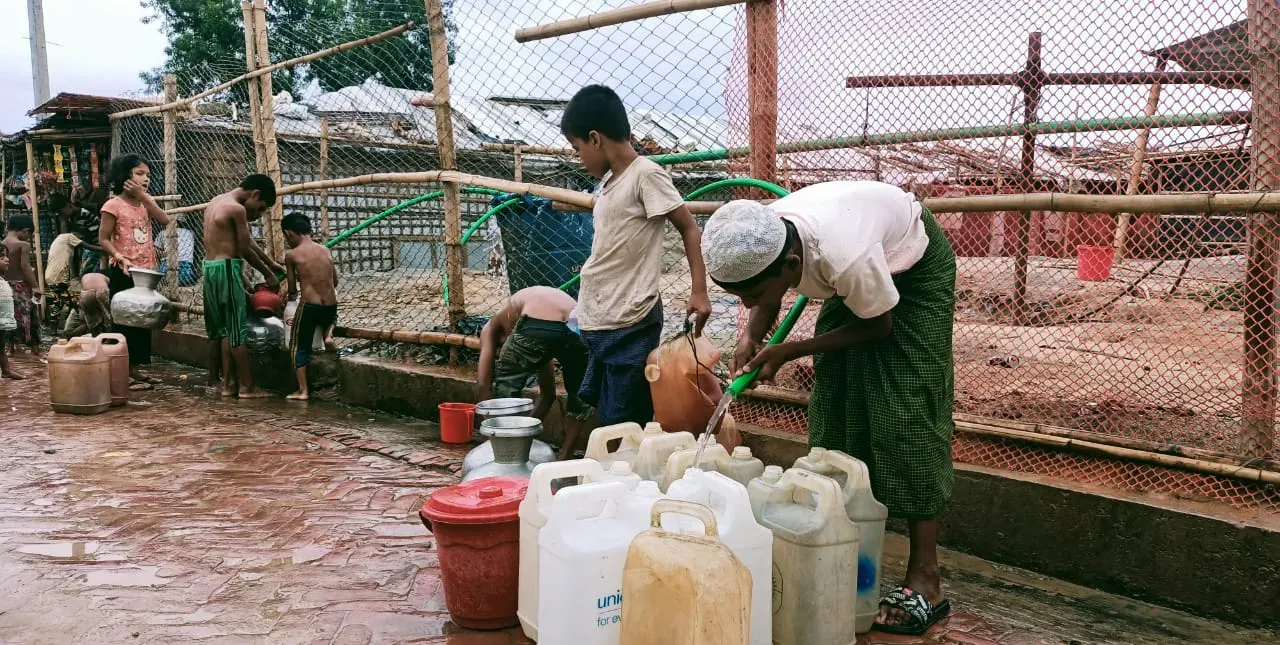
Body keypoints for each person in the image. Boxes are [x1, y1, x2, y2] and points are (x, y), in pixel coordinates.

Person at [701, 181, 957, 636]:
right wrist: (751, 336)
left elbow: (878, 326)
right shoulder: (765, 234)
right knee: (835, 400)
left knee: (907, 413)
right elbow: (769, 291)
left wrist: (789, 351)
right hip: (854, 276)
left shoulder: (845, 255)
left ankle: (926, 580)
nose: (746, 305)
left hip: (912, 267)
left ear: (793, 264)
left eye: (750, 294)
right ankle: (836, 546)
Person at [560, 84, 711, 426]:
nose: (580, 159)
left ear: (595, 139)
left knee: (625, 420)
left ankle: (625, 474)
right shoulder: (611, 183)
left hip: (631, 319)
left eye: (577, 148)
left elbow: (688, 228)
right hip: (603, 318)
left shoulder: (646, 175)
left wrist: (698, 290)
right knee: (606, 412)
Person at [478, 286, 592, 460]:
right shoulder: (524, 322)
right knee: (579, 396)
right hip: (578, 325)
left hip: (539, 322)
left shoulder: (491, 327)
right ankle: (565, 455)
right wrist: (527, 435)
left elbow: (483, 384)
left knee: (506, 385)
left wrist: (487, 430)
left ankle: (504, 453)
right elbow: (548, 395)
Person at [202, 174, 282, 398]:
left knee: (220, 329)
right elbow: (244, 248)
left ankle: (222, 383)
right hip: (228, 268)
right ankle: (248, 386)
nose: (258, 214)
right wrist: (269, 275)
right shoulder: (237, 210)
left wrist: (270, 262)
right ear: (254, 194)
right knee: (236, 329)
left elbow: (243, 240)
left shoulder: (217, 201)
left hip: (211, 268)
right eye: (261, 207)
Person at [99, 154, 172, 389]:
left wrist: (144, 197)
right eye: (140, 173)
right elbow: (103, 238)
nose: (145, 179)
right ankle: (123, 372)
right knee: (125, 322)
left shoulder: (144, 204)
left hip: (144, 272)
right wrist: (119, 256)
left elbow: (164, 219)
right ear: (124, 177)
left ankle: (136, 369)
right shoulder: (113, 205)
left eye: (148, 175)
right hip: (123, 270)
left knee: (142, 322)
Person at [281, 212, 337, 401]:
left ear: (288, 233)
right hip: (330, 305)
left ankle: (303, 390)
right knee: (330, 319)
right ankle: (328, 334)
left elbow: (291, 289)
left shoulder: (292, 255)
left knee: (298, 346)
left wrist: (289, 294)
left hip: (309, 306)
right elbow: (334, 281)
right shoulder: (326, 250)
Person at [2, 214, 41, 355]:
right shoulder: (23, 245)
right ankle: (34, 348)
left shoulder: (3, 244)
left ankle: (11, 348)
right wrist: (35, 285)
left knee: (10, 316)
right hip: (21, 287)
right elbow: (25, 266)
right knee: (30, 317)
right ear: (24, 230)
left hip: (6, 286)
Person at [43, 223, 86, 330]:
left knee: (58, 302)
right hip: (59, 276)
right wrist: (105, 249)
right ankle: (74, 327)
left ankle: (54, 328)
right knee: (74, 302)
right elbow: (86, 245)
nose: (81, 239)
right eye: (81, 237)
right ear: (77, 234)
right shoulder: (69, 237)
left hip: (52, 275)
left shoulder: (60, 238)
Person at [0, 244, 26, 379]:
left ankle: (6, 371)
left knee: (1, 345)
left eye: (6, 256)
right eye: (1, 257)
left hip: (2, 319)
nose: (6, 259)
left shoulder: (2, 279)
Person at [60, 272, 112, 338]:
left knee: (93, 324)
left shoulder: (85, 278)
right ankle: (107, 337)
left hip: (86, 296)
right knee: (109, 318)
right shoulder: (104, 277)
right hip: (101, 292)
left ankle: (97, 338)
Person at [156, 217, 198, 287]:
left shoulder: (163, 233)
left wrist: (165, 253)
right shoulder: (190, 233)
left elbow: (156, 250)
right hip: (187, 270)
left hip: (166, 268)